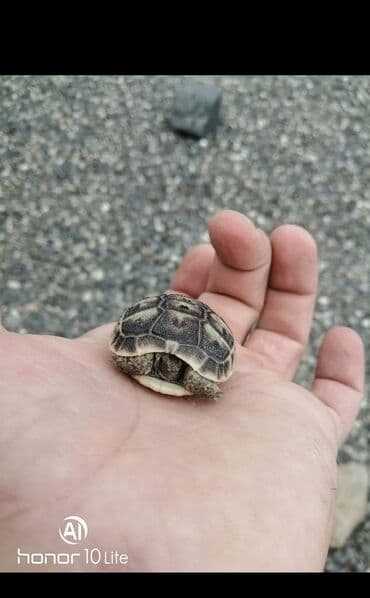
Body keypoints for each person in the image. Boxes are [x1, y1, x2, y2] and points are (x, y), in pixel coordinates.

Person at [0, 209, 364, 571]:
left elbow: (194, 379)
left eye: (180, 367)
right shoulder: (142, 361)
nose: (173, 367)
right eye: (170, 364)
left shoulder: (189, 376)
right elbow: (126, 358)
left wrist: (208, 387)